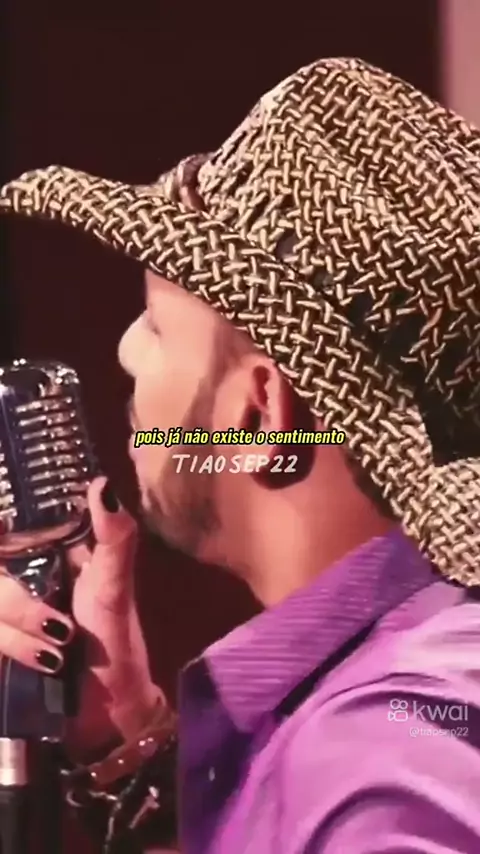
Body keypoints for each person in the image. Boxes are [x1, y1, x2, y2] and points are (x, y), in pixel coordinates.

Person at [1, 56, 480, 854]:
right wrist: (121, 735)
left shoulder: (379, 763)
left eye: (158, 325)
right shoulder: (404, 686)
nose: (125, 350)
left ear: (260, 412)